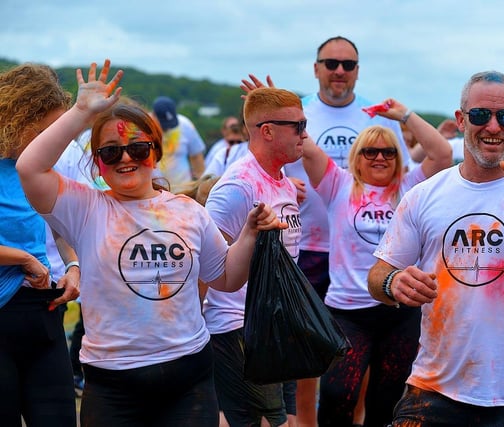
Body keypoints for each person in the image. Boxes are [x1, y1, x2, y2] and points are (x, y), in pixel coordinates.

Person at [16, 59, 286, 427]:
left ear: (155, 152)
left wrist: (250, 235)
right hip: (112, 384)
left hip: (188, 378)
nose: (126, 158)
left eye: (138, 149)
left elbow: (225, 278)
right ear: (98, 163)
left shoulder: (188, 211)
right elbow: (30, 167)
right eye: (111, 152)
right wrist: (81, 113)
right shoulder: (85, 208)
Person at [367, 70, 504, 426]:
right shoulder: (424, 195)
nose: (492, 127)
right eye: (479, 115)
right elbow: (377, 275)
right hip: (433, 389)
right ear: (460, 120)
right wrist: (394, 282)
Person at [241, 35, 414, 427]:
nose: (339, 71)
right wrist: (285, 181)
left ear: (357, 71)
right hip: (301, 242)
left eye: (348, 65)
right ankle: (306, 421)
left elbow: (398, 171)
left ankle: (353, 417)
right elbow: (264, 162)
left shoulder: (375, 118)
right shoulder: (298, 111)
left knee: (358, 345)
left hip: (357, 251)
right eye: (331, 63)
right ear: (316, 68)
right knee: (304, 341)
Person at [301, 97, 451, 425]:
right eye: (371, 151)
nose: (380, 157)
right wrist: (280, 110)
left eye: (389, 151)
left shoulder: (410, 188)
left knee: (386, 400)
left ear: (399, 158)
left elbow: (442, 153)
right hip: (347, 311)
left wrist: (405, 115)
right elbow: (306, 145)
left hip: (399, 313)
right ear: (358, 156)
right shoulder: (337, 184)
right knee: (338, 393)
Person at [203, 86, 304, 427]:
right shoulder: (237, 188)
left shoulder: (283, 180)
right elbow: (204, 263)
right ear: (267, 131)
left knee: (284, 418)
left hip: (275, 323)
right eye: (298, 127)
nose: (305, 134)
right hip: (238, 327)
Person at [0, 62, 80, 427]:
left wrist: (74, 266)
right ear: (19, 115)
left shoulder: (43, 164)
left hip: (43, 310)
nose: (48, 141)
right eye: (43, 129)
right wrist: (23, 258)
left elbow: (59, 223)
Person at [151, 95, 206, 190]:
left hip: (183, 190)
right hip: (155, 192)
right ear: (154, 115)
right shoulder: (144, 128)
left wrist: (200, 184)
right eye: (164, 124)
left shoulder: (185, 124)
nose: (168, 128)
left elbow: (197, 156)